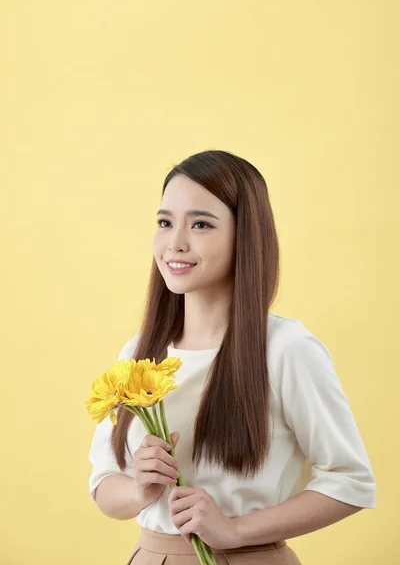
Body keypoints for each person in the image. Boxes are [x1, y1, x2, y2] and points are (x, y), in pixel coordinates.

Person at [88, 150, 376, 564]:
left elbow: (351, 482)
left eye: (201, 224)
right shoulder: (138, 353)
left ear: (245, 235)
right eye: (165, 222)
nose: (175, 243)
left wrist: (235, 530)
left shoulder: (286, 349)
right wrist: (140, 489)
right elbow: (103, 486)